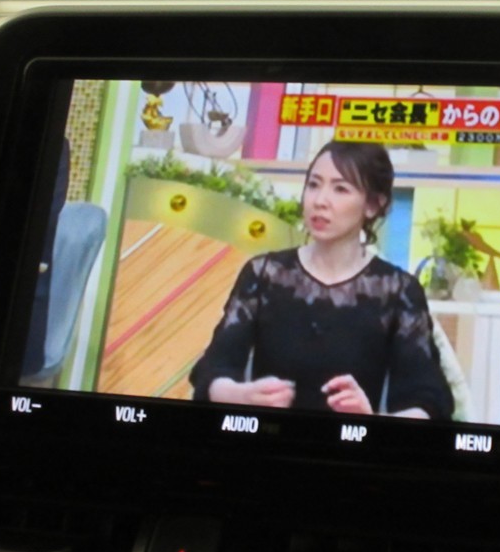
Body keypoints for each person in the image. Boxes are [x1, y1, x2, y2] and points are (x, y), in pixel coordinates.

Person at [189, 140, 453, 420]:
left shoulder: (397, 290)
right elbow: (213, 369)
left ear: (373, 205)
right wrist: (242, 396)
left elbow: (429, 401)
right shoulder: (264, 273)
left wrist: (370, 419)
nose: (320, 201)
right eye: (314, 185)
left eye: (340, 189)